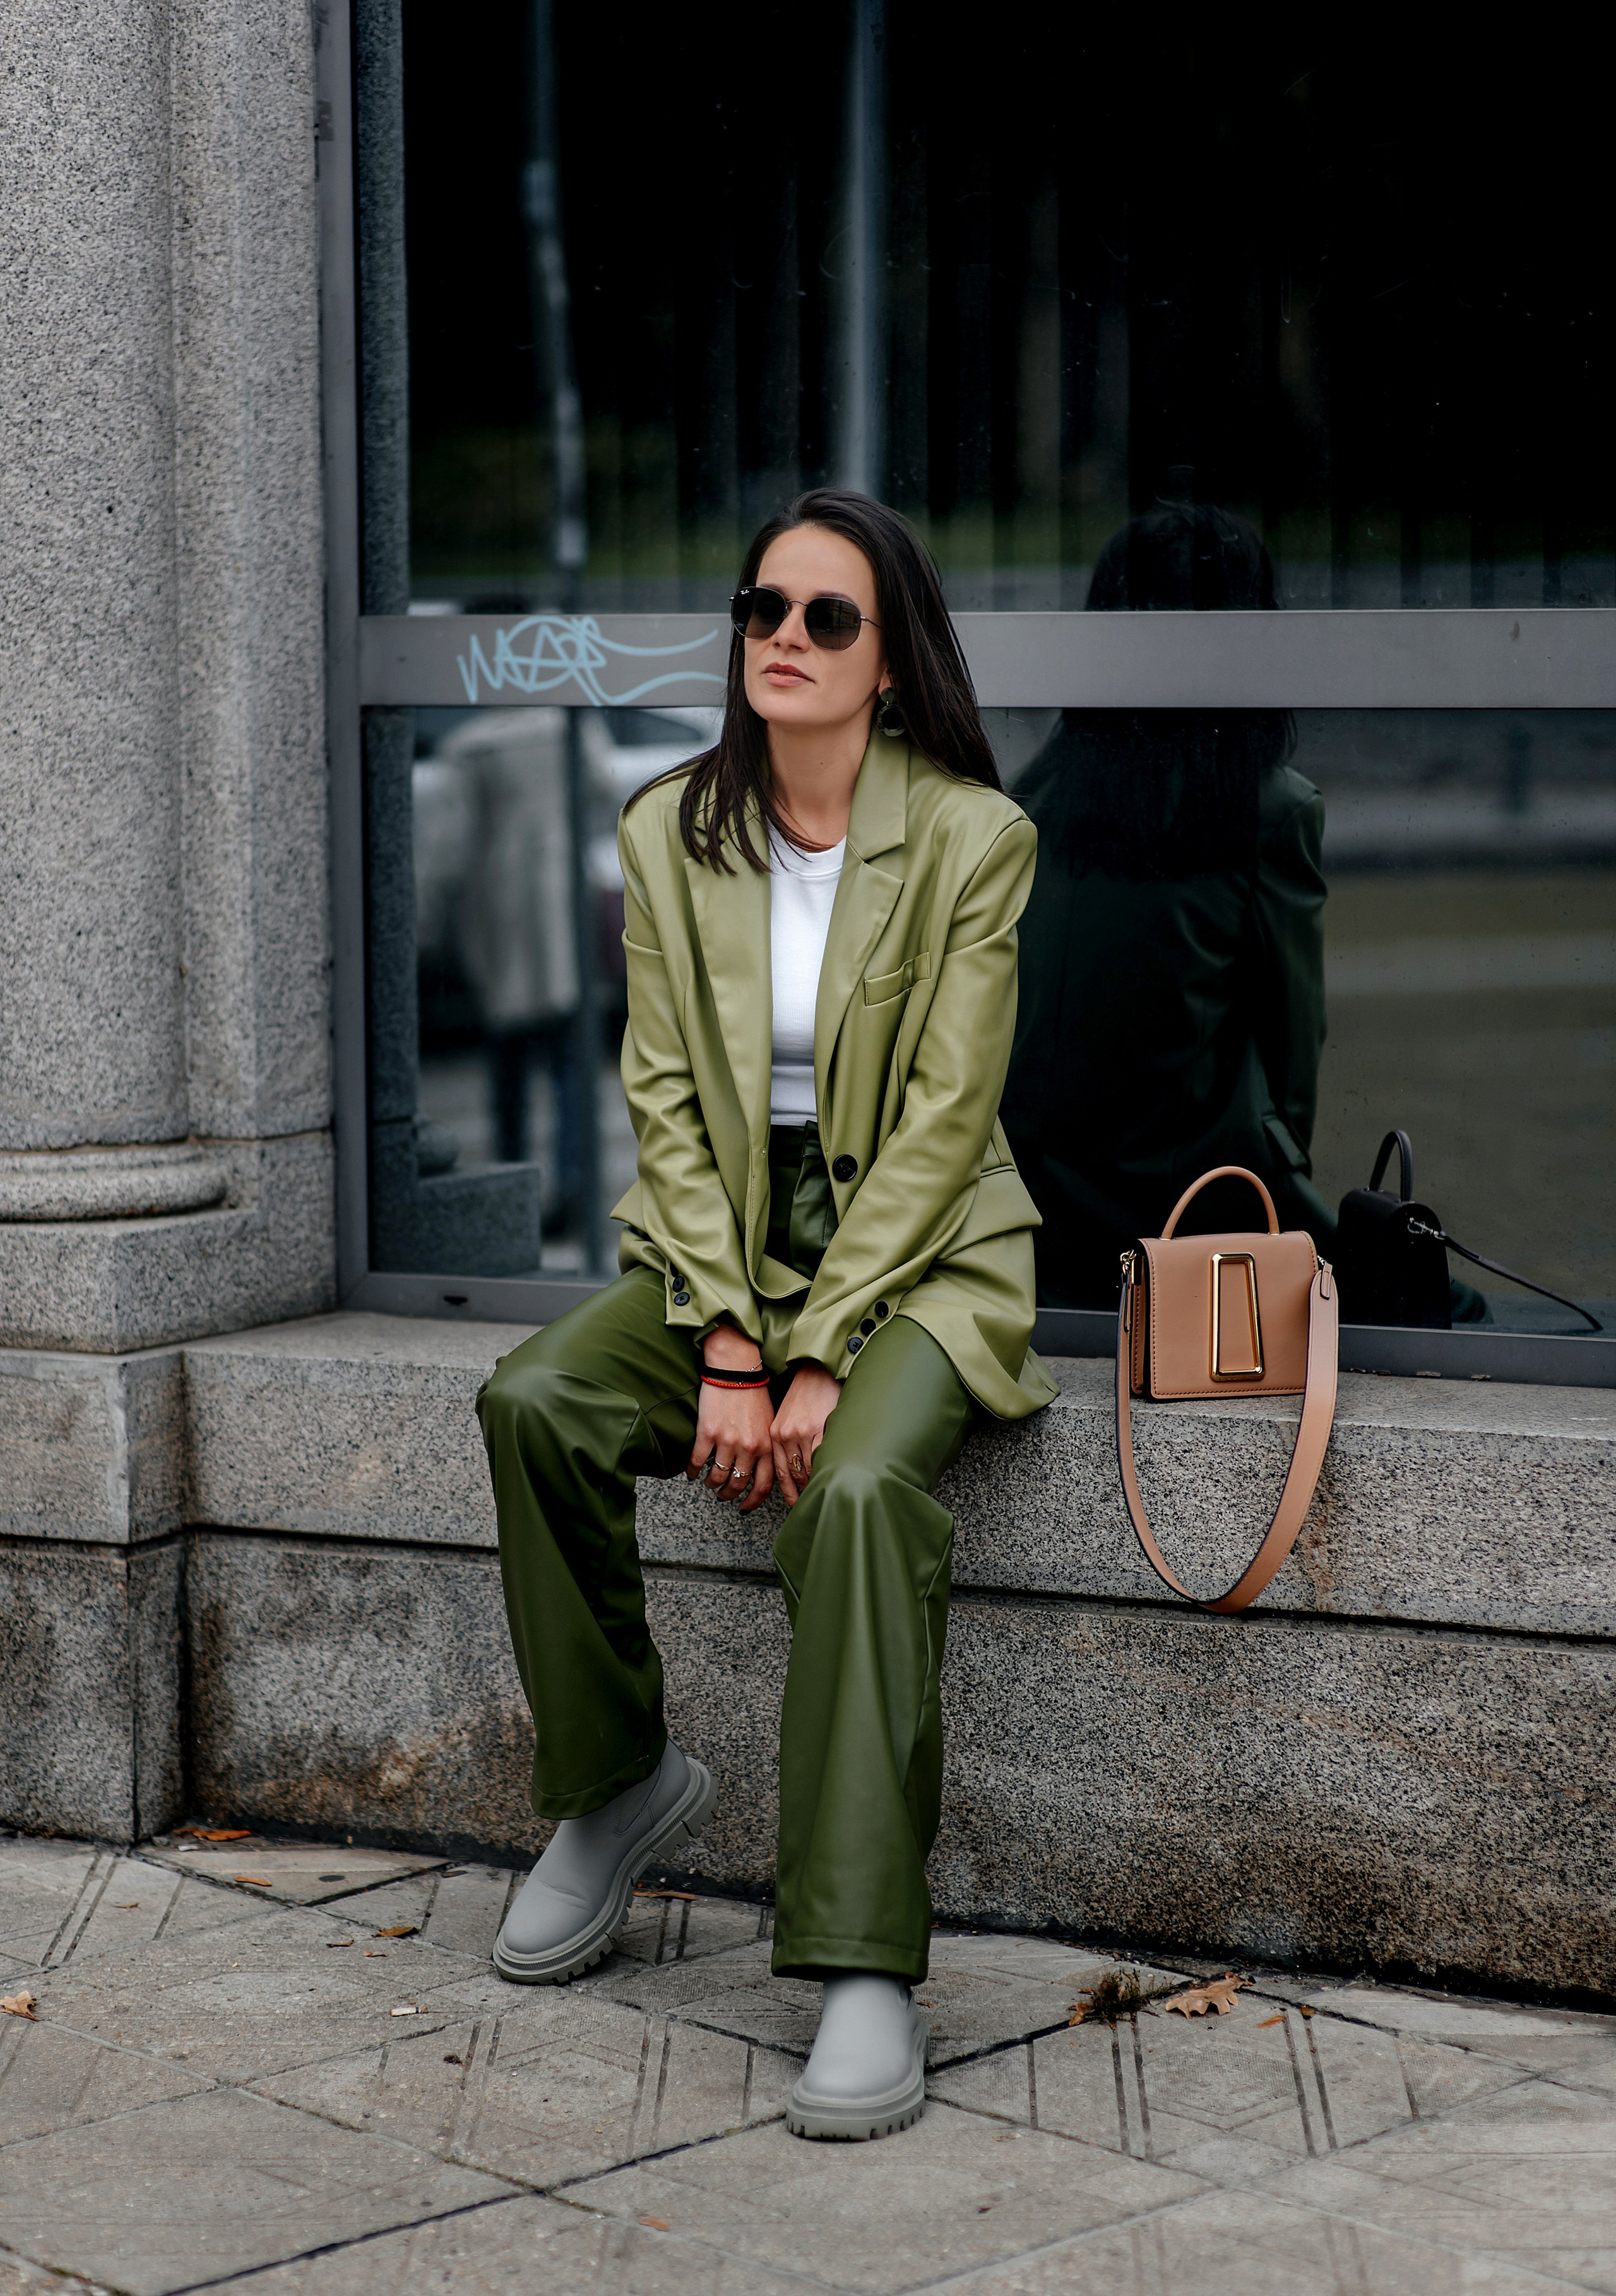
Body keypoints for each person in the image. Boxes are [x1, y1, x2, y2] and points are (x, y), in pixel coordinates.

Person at [475, 488, 1055, 2143]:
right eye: (762, 610)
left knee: (861, 1494)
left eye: (828, 618)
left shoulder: (971, 839)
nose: (782, 640)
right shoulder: (670, 830)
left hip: (928, 1248)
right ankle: (613, 1787)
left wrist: (817, 1361)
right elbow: (663, 1100)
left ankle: (865, 1961)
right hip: (729, 1240)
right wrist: (733, 1341)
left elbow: (947, 1124)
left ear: (889, 663)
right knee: (537, 1399)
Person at [1000, 502, 1334, 1305]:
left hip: (1031, 1209)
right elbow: (1291, 1057)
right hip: (1186, 1216)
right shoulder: (1266, 806)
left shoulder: (1041, 794)